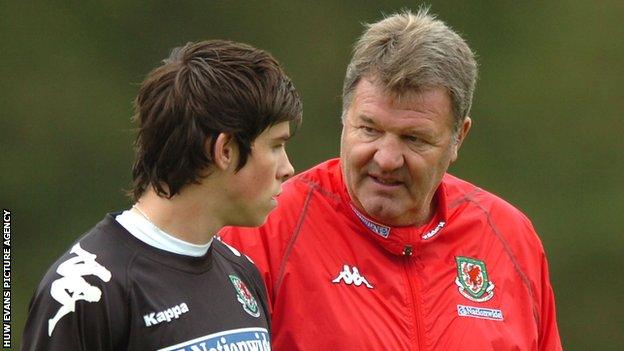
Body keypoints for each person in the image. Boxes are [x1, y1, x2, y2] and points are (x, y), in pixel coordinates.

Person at [219, 9, 562, 350]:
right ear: (345, 115)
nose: (386, 158)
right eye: (369, 129)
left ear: (459, 137)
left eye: (414, 139)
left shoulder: (510, 237)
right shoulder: (264, 229)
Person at [22, 39, 302, 350]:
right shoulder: (86, 290)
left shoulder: (242, 274)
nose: (287, 168)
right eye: (276, 145)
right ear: (225, 150)